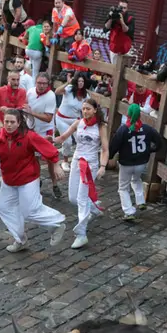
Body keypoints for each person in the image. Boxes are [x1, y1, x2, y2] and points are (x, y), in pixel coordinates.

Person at [0, 108, 66, 252]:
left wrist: (56, 166)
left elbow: (49, 149)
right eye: (6, 121)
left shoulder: (29, 136)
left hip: (28, 179)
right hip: (9, 180)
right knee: (4, 209)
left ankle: (57, 223)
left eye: (12, 122)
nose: (9, 125)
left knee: (30, 211)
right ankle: (20, 240)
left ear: (19, 123)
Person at [54, 98, 109, 249]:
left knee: (81, 197)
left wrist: (103, 166)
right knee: (73, 198)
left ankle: (81, 234)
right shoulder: (78, 123)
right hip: (76, 162)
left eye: (88, 109)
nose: (85, 111)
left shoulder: (101, 127)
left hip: (90, 165)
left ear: (95, 110)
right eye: (83, 109)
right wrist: (51, 139)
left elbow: (105, 149)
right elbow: (63, 137)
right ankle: (94, 208)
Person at [109, 104, 161, 220]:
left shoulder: (123, 129)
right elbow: (159, 142)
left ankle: (129, 211)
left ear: (128, 114)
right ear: (139, 115)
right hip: (141, 162)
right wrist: (151, 150)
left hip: (126, 163)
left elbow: (114, 145)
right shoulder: (147, 129)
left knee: (123, 187)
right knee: (136, 179)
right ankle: (141, 201)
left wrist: (110, 156)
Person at [0, 70, 27, 201]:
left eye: (18, 80)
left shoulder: (22, 92)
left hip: (17, 130)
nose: (16, 82)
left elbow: (21, 110)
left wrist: (8, 110)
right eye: (13, 80)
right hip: (2, 129)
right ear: (8, 79)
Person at [25, 72, 62, 198]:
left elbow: (48, 118)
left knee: (49, 158)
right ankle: (36, 182)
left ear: (48, 84)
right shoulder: (29, 92)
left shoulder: (50, 96)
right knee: (34, 158)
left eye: (44, 83)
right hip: (32, 129)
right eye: (39, 83)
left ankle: (54, 184)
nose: (41, 86)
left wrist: (32, 113)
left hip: (46, 130)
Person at [54, 71, 90, 171]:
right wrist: (67, 83)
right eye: (78, 81)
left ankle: (78, 160)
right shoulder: (69, 89)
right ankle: (65, 161)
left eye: (82, 81)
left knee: (81, 140)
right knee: (68, 142)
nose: (80, 83)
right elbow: (57, 91)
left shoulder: (86, 95)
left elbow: (89, 107)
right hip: (62, 119)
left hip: (76, 121)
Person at [103, 0, 135, 64]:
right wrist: (110, 18)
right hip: (114, 48)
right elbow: (105, 29)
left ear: (127, 9)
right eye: (121, 7)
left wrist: (122, 21)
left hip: (125, 49)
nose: (122, 9)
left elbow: (128, 32)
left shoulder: (130, 19)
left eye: (124, 8)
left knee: (123, 70)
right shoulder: (114, 14)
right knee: (114, 68)